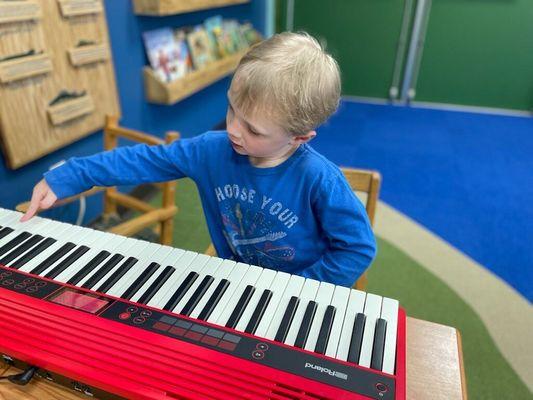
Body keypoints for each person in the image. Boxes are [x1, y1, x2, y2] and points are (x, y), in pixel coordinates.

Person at [21, 32, 376, 287]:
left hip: (297, 292)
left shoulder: (320, 179)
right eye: (231, 110)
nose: (234, 130)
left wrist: (301, 288)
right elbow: (142, 160)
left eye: (253, 129)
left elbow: (357, 249)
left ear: (299, 137)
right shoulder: (212, 149)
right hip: (235, 280)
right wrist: (70, 174)